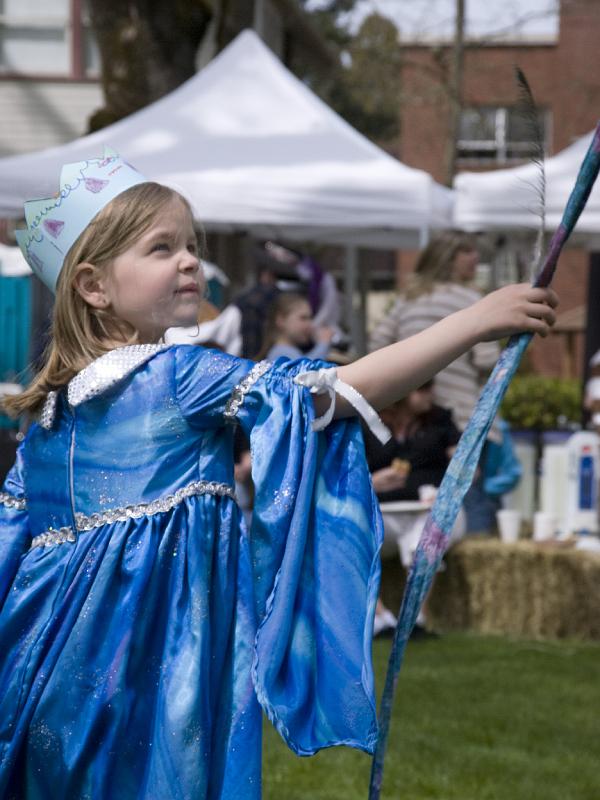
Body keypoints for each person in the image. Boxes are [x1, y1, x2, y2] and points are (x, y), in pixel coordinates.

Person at [0, 151, 557, 799]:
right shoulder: (177, 377)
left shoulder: (45, 420)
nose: (189, 260)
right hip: (153, 675)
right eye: (161, 248)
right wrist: (473, 321)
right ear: (94, 287)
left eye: (192, 244)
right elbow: (331, 392)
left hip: (51, 679)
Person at [369, 231, 502, 531]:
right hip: (465, 415)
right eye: (466, 251)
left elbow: (378, 343)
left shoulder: (408, 299)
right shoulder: (471, 301)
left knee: (420, 508)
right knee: (471, 505)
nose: (475, 257)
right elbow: (486, 360)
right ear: (449, 258)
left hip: (414, 418)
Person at [363, 382, 464, 637]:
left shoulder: (440, 420)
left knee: (425, 539)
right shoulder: (368, 421)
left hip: (426, 508)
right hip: (383, 509)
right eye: (423, 387)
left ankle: (415, 619)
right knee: (348, 533)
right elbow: (345, 474)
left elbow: (466, 466)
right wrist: (373, 481)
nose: (431, 393)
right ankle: (380, 618)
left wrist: (449, 487)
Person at [261, 292, 334, 362]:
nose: (310, 325)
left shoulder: (287, 350)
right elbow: (308, 370)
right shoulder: (281, 353)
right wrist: (323, 343)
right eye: (303, 318)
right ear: (281, 320)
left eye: (310, 318)